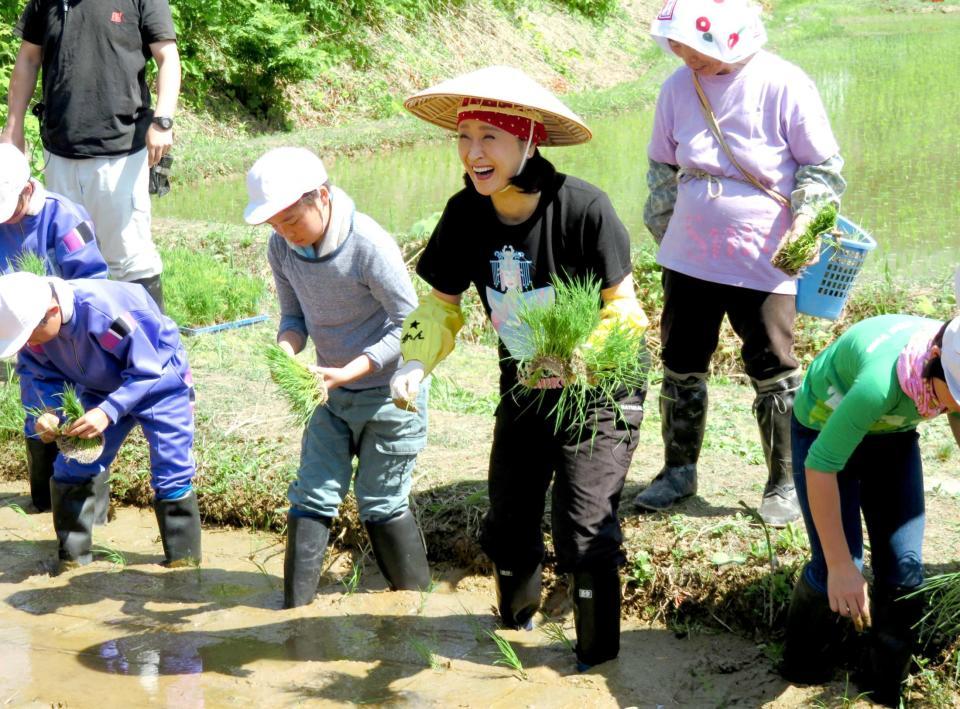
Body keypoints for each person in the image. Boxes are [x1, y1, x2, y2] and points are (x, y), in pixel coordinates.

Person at [392, 66, 650, 670]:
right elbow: (439, 305)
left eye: (490, 138)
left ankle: (596, 663)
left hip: (600, 388)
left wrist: (585, 358)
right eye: (464, 137)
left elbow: (628, 312)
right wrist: (413, 360)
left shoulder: (584, 208)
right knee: (508, 518)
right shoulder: (464, 213)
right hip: (527, 384)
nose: (473, 152)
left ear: (525, 142)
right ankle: (517, 628)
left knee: (584, 530)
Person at [633, 0, 846, 526]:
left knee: (773, 364)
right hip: (689, 253)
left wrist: (809, 224)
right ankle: (678, 471)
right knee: (681, 359)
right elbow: (662, 168)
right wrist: (669, 233)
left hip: (764, 255)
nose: (686, 57)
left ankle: (785, 483)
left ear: (732, 38)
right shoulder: (676, 87)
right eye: (678, 46)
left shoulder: (784, 83)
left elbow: (822, 169)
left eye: (697, 48)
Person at [244, 147, 431, 609]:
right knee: (312, 493)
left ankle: (413, 611)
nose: (284, 233)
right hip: (329, 394)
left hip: (391, 395)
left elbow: (412, 325)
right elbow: (293, 316)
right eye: (274, 224)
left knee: (380, 501)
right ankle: (292, 613)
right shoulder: (280, 249)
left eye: (290, 220)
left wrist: (355, 369)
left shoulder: (367, 245)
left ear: (321, 197)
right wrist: (286, 348)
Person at [780, 307, 960, 706]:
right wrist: (843, 567)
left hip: (891, 438)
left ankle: (881, 687)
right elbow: (821, 466)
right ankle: (802, 666)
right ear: (934, 363)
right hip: (823, 431)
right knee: (837, 565)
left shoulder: (948, 361)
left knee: (906, 573)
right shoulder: (880, 384)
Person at [0, 271, 201, 570]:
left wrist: (108, 411)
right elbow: (39, 373)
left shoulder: (105, 313)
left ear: (52, 312)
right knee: (72, 464)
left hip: (161, 384)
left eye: (29, 335)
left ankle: (183, 571)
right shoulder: (38, 335)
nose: (29, 344)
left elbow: (145, 370)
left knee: (171, 471)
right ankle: (72, 564)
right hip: (98, 388)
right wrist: (46, 412)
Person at [1, 0, 182, 311]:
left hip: (121, 153)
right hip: (58, 153)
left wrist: (163, 120)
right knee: (68, 257)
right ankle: (81, 351)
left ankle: (155, 350)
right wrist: (13, 126)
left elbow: (167, 57)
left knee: (130, 259)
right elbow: (29, 59)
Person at [0, 142, 110, 516]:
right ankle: (44, 506)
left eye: (9, 208)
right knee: (39, 413)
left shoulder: (64, 219)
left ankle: (89, 510)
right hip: (27, 341)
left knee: (79, 413)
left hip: (71, 335)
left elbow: (93, 281)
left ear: (27, 189)